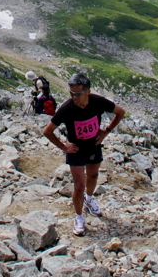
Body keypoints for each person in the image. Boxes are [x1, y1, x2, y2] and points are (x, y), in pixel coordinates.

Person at [42, 72, 125, 238]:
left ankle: (89, 198)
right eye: (71, 93)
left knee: (93, 176)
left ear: (88, 91)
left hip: (94, 146)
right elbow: (47, 131)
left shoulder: (98, 101)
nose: (74, 97)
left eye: (78, 94)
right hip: (76, 150)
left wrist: (106, 132)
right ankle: (79, 217)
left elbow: (120, 112)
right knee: (79, 185)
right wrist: (64, 147)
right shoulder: (66, 108)